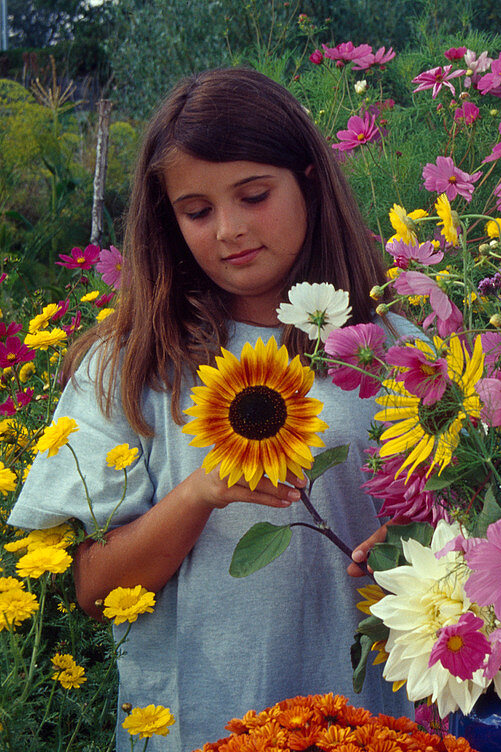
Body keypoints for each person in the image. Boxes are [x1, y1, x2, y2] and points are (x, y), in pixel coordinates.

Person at [8, 68, 415, 752]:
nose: (229, 229)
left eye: (254, 196)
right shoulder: (130, 365)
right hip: (199, 723)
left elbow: (469, 535)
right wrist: (199, 493)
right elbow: (93, 587)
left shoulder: (397, 347)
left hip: (375, 721)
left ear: (310, 180)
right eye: (197, 211)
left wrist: (418, 551)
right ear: (168, 221)